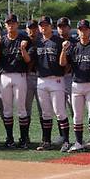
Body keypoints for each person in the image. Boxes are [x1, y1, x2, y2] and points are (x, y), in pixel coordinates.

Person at [59, 20, 90, 154]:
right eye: (81, 29)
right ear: (77, 31)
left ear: (89, 31)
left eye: (85, 29)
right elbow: (62, 63)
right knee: (77, 116)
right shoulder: (73, 47)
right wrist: (63, 49)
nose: (83, 32)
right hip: (76, 85)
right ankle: (78, 142)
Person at [0, 14, 31, 148]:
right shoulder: (2, 40)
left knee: (21, 108)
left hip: (20, 75)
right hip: (5, 76)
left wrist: (23, 48)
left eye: (13, 23)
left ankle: (24, 139)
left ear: (17, 24)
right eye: (8, 23)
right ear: (5, 25)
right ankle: (9, 138)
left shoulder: (24, 39)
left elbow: (28, 60)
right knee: (7, 110)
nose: (10, 25)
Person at [34, 17, 70, 152]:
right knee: (46, 113)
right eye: (41, 25)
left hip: (56, 80)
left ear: (51, 26)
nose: (43, 27)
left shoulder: (59, 41)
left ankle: (66, 141)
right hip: (41, 80)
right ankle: (46, 141)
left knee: (60, 112)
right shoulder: (37, 43)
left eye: (46, 25)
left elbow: (66, 63)